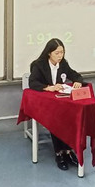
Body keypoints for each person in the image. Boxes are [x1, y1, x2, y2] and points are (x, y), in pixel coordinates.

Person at [28, 38, 83, 171]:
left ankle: (68, 151)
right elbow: (33, 83)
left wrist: (78, 81)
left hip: (59, 102)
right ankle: (59, 153)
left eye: (62, 52)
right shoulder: (39, 65)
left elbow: (75, 75)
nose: (60, 56)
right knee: (57, 119)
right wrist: (49, 88)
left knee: (69, 117)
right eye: (57, 53)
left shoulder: (63, 63)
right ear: (49, 53)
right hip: (44, 103)